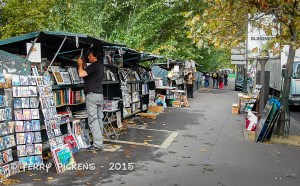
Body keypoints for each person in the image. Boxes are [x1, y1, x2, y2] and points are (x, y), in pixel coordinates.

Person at [77, 47, 105, 151]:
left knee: (93, 120)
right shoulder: (100, 66)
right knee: (98, 119)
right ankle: (99, 140)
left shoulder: (94, 65)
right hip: (99, 95)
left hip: (92, 96)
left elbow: (81, 74)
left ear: (95, 56)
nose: (88, 56)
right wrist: (83, 64)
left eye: (90, 55)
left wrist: (79, 64)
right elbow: (87, 73)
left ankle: (97, 144)